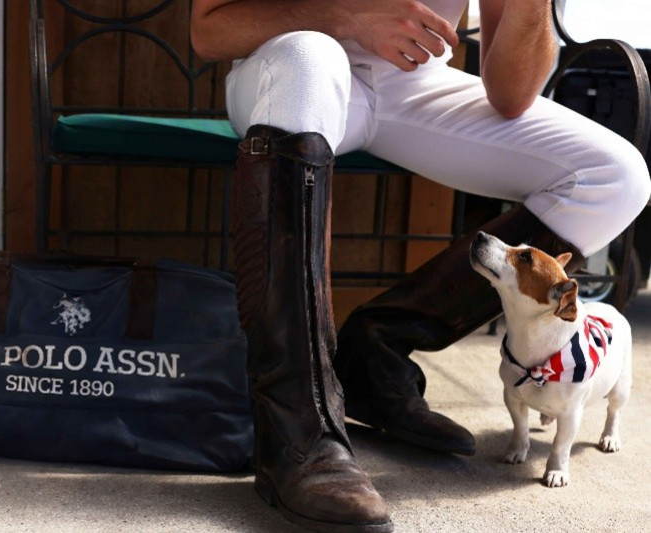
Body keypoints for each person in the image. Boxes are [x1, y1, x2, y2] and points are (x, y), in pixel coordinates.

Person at [190, 1, 651, 531]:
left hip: (413, 83)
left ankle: (375, 357)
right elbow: (209, 29)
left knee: (616, 177)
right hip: (286, 66)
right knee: (310, 57)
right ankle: (295, 431)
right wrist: (350, 17)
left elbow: (511, 95)